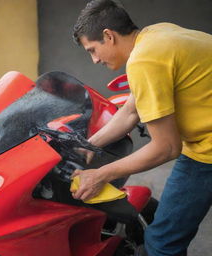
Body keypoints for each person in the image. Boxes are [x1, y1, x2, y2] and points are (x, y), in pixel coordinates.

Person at [71, 0, 212, 255]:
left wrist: (100, 175)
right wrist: (88, 145)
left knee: (162, 243)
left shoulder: (144, 59)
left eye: (92, 50)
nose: (94, 60)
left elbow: (166, 148)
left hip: (207, 149)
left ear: (108, 36)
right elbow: (131, 110)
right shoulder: (156, 36)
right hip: (203, 143)